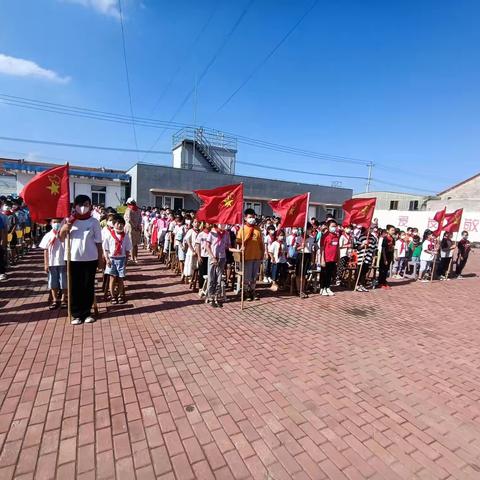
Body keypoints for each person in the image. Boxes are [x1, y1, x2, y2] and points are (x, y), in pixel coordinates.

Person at [60, 195, 103, 325]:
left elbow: (99, 242)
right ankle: (76, 314)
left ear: (90, 205)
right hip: (73, 259)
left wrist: (100, 260)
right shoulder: (68, 220)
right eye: (80, 204)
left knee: (88, 286)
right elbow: (61, 237)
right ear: (75, 206)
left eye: (86, 204)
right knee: (74, 287)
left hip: (90, 258)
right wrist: (65, 228)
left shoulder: (94, 221)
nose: (83, 207)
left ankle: (87, 312)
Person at [103, 215, 132, 304]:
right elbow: (106, 248)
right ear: (114, 224)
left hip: (121, 259)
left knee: (120, 278)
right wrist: (107, 259)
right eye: (118, 224)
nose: (120, 226)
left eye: (121, 224)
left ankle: (120, 295)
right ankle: (112, 296)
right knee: (112, 278)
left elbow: (127, 249)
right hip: (112, 259)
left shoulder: (125, 236)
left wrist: (126, 260)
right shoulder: (109, 235)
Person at [236, 208, 264, 301]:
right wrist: (241, 247)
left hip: (256, 256)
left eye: (253, 217)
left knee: (254, 276)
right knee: (247, 277)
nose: (252, 218)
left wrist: (262, 253)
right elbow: (238, 242)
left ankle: (253, 291)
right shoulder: (242, 229)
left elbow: (261, 243)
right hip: (247, 256)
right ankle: (246, 292)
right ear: (245, 218)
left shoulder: (257, 229)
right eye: (250, 217)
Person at [39, 217, 67, 310]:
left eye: (59, 222)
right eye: (55, 222)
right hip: (52, 263)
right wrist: (46, 263)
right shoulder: (48, 235)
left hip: (63, 262)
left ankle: (64, 299)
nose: (57, 224)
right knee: (53, 283)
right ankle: (55, 300)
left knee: (64, 282)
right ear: (51, 223)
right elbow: (45, 250)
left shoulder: (65, 234)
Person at [205, 223, 231, 307]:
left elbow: (228, 247)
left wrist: (239, 250)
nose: (223, 225)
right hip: (213, 258)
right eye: (221, 223)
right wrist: (212, 257)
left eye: (224, 223)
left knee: (219, 279)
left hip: (222, 258)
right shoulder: (212, 233)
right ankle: (210, 297)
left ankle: (216, 297)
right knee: (211, 278)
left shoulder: (226, 234)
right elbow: (207, 246)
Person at [354, 226, 378, 292]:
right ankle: (357, 285)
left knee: (365, 271)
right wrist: (362, 244)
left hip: (368, 257)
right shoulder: (361, 237)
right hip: (361, 257)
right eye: (369, 229)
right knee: (359, 271)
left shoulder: (373, 238)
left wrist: (373, 258)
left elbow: (375, 248)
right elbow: (357, 247)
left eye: (371, 229)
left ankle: (362, 284)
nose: (370, 230)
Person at [319, 220, 339, 296]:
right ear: (328, 227)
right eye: (332, 226)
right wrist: (322, 259)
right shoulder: (325, 236)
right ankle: (322, 288)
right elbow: (322, 248)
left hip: (333, 259)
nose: (334, 228)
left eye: (335, 226)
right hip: (326, 258)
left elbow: (337, 248)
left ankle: (328, 287)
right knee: (324, 273)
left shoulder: (336, 236)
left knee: (330, 274)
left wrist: (338, 257)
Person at [295, 223, 315, 298]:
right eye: (308, 229)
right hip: (301, 255)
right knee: (299, 274)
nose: (309, 230)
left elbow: (312, 250)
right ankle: (298, 289)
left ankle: (302, 289)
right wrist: (301, 246)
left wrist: (313, 260)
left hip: (307, 256)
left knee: (304, 274)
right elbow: (296, 249)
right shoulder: (299, 238)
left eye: (310, 229)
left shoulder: (311, 238)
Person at [124, 197, 142, 263]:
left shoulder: (128, 209)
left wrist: (134, 226)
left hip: (130, 228)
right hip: (136, 228)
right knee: (135, 244)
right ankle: (135, 258)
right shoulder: (138, 210)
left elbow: (128, 219)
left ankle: (132, 258)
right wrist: (138, 226)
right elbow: (140, 219)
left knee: (131, 243)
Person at [378, 225, 396, 289]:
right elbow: (383, 249)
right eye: (392, 230)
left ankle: (384, 282)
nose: (393, 231)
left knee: (386, 270)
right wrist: (385, 258)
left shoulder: (393, 238)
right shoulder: (385, 238)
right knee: (382, 269)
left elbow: (393, 248)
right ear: (388, 231)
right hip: (385, 255)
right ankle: (380, 282)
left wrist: (393, 256)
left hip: (390, 255)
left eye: (394, 230)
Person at [183, 218, 200, 285]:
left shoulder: (199, 231)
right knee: (190, 264)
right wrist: (192, 250)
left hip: (198, 250)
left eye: (198, 222)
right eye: (195, 222)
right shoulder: (190, 231)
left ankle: (195, 277)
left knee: (196, 265)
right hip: (191, 250)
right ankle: (190, 277)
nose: (197, 223)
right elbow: (188, 241)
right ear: (192, 223)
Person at [195, 222, 210, 290]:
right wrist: (198, 256)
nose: (209, 225)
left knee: (208, 272)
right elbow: (198, 245)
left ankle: (207, 287)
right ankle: (201, 287)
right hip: (202, 255)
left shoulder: (211, 234)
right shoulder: (200, 234)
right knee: (202, 272)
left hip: (209, 256)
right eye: (208, 223)